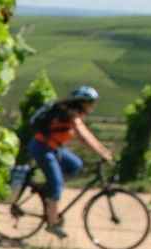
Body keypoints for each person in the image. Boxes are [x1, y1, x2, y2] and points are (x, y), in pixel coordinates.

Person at [27, 86, 114, 238]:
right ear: (82, 102)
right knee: (57, 184)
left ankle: (49, 189)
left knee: (76, 165)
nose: (93, 106)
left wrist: (103, 150)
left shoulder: (72, 114)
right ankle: (52, 224)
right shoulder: (71, 114)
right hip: (42, 148)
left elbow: (83, 136)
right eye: (91, 102)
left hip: (54, 148)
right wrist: (103, 152)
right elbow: (84, 135)